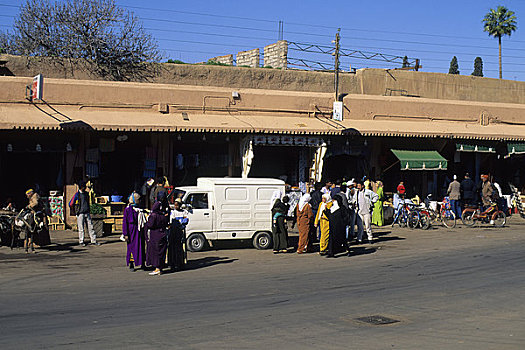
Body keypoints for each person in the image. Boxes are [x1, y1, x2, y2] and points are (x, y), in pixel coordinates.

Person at [70, 182, 99, 247]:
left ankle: (93, 240)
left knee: (91, 227)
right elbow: (71, 203)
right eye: (84, 186)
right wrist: (75, 210)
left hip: (87, 212)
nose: (85, 188)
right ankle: (81, 241)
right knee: (81, 228)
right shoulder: (77, 194)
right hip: (80, 213)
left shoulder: (86, 194)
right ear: (81, 187)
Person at [145, 201, 169, 276]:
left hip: (155, 236)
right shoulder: (163, 216)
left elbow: (150, 225)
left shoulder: (153, 216)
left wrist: (147, 219)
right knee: (161, 252)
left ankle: (157, 269)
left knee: (156, 252)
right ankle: (160, 268)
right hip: (162, 235)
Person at [122, 192, 144, 271]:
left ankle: (142, 263)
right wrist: (125, 234)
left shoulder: (140, 209)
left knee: (140, 247)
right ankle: (131, 263)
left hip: (138, 231)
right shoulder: (128, 210)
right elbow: (125, 222)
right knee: (131, 248)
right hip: (131, 231)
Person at [168, 199, 189, 270]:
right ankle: (172, 263)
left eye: (177, 205)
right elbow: (173, 221)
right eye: (175, 205)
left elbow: (186, 220)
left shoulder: (184, 212)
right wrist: (181, 221)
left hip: (181, 232)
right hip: (174, 232)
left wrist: (179, 221)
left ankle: (180, 263)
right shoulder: (173, 212)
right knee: (173, 248)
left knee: (180, 248)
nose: (176, 206)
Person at [23, 189, 41, 253]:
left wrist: (29, 206)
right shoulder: (32, 197)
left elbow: (35, 203)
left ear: (30, 193)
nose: (27, 196)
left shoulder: (34, 196)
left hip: (36, 212)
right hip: (33, 211)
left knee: (31, 226)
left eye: (27, 194)